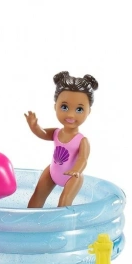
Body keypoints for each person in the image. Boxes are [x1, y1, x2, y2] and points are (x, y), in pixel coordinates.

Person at [25, 71, 98, 208]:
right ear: (55, 106)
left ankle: (61, 220)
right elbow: (42, 133)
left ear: (88, 111)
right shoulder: (56, 132)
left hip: (72, 177)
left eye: (79, 109)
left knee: (64, 202)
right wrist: (34, 126)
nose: (71, 115)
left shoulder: (82, 140)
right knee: (38, 194)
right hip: (52, 172)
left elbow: (83, 159)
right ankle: (30, 216)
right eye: (64, 107)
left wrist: (76, 170)